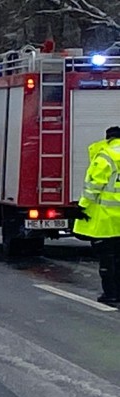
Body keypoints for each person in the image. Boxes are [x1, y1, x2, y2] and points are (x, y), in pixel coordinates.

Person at [74, 126, 120, 305]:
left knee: (108, 259)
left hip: (107, 220)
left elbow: (94, 186)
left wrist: (82, 207)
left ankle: (111, 294)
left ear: (108, 138)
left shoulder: (105, 156)